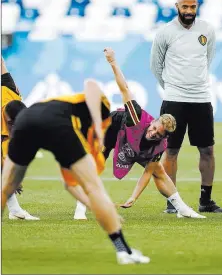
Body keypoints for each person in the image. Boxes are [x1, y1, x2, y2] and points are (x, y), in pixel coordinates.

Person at [1, 77, 150, 265]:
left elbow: (69, 185)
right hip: (55, 124)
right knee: (95, 188)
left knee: (6, 188)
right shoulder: (101, 115)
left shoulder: (86, 142)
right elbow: (91, 84)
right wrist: (97, 124)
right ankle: (124, 252)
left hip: (25, 123)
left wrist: (95, 207)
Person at [65, 48, 205, 220]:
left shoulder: (160, 145)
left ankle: (182, 209)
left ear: (163, 137)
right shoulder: (136, 116)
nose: (153, 133)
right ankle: (80, 208)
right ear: (153, 121)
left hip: (134, 142)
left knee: (159, 171)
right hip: (112, 130)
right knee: (95, 164)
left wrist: (133, 197)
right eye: (153, 128)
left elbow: (148, 172)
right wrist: (113, 63)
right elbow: (124, 88)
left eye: (158, 134)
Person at [150, 0, 222, 214]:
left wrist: (195, 84)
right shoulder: (165, 32)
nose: (189, 12)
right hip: (174, 99)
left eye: (193, 7)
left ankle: (206, 201)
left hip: (201, 98)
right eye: (185, 7)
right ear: (177, 7)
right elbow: (156, 65)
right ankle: (172, 202)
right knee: (171, 150)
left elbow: (207, 59)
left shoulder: (207, 30)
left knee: (207, 150)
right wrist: (172, 88)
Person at [1, 56, 39, 220]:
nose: (13, 128)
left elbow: (1, 64)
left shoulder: (11, 90)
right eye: (11, 124)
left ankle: (15, 211)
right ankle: (14, 210)